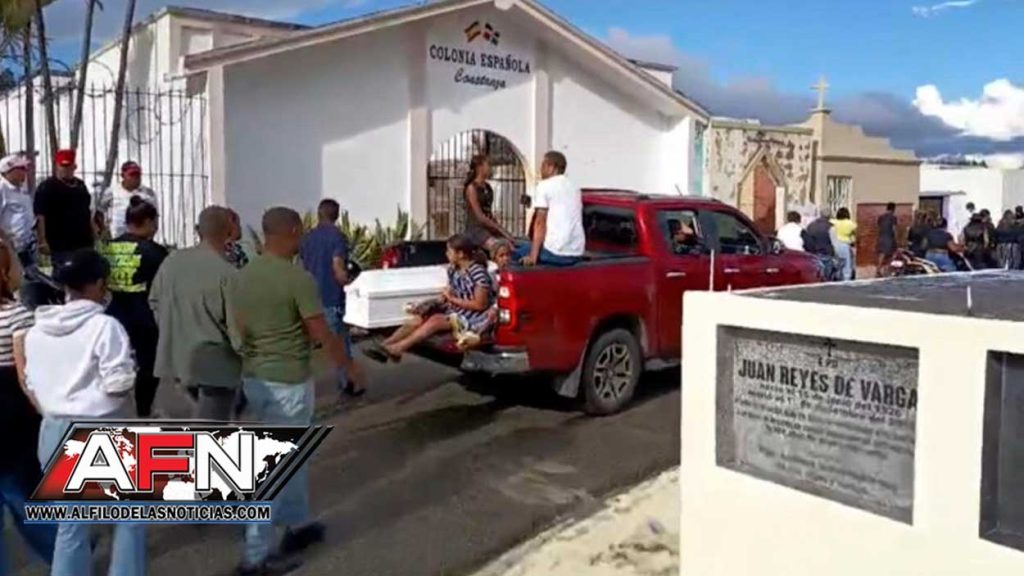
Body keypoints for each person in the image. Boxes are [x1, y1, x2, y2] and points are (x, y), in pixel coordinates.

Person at [231, 207, 365, 576]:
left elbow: (238, 328)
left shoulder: (243, 275)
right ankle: (254, 557)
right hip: (287, 382)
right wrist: (350, 368)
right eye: (300, 231)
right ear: (291, 231)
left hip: (256, 378)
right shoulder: (296, 279)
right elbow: (321, 332)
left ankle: (296, 524)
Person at [25, 249, 145, 576]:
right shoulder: (104, 327)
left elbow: (32, 383)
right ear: (98, 283)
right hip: (101, 428)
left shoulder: (37, 331)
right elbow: (118, 384)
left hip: (53, 430)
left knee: (72, 524)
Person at [150, 206, 242, 420]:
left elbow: (154, 302)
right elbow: (238, 330)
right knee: (212, 425)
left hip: (178, 361)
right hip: (217, 366)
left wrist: (172, 331)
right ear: (229, 231)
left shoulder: (171, 262)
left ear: (198, 230)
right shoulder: (228, 273)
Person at [0, 237, 56, 575]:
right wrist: (45, 411)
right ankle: (64, 554)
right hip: (10, 414)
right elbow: (25, 374)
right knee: (25, 495)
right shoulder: (17, 315)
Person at [374, 234, 491, 361]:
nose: (446, 254)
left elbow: (480, 305)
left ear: (461, 254)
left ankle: (399, 348)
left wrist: (452, 299)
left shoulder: (478, 273)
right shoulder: (453, 270)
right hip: (454, 309)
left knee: (435, 320)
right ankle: (386, 345)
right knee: (418, 319)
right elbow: (452, 290)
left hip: (471, 316)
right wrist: (434, 302)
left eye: (449, 251)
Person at [102, 197, 168, 417]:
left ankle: (113, 407)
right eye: (155, 221)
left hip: (113, 312)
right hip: (144, 316)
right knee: (149, 365)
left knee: (112, 362)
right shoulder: (155, 252)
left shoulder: (108, 248)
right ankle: (143, 411)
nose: (156, 226)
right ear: (148, 221)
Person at [299, 198, 362, 398]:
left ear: (319, 214)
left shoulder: (307, 238)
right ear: (336, 216)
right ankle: (348, 383)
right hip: (331, 298)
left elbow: (301, 267)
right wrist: (350, 282)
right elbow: (338, 268)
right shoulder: (337, 237)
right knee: (339, 343)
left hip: (309, 298)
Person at [514, 151, 585, 267]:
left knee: (512, 253)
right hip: (577, 252)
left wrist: (533, 257)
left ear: (551, 167)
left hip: (556, 253)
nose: (540, 169)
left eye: (543, 165)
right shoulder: (575, 187)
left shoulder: (544, 186)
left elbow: (540, 223)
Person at [33, 150, 94, 263]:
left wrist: (94, 231)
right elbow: (40, 216)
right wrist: (42, 240)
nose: (65, 169)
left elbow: (87, 211)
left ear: (74, 167)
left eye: (68, 166)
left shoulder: (80, 185)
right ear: (56, 165)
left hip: (84, 242)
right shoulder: (47, 187)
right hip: (60, 245)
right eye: (63, 166)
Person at [95, 161, 158, 241]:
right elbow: (99, 213)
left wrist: (152, 233)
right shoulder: (113, 191)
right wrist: (103, 232)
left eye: (138, 174)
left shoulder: (148, 193)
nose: (135, 178)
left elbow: (154, 216)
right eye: (132, 175)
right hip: (118, 238)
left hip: (142, 239)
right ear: (123, 175)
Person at [462, 154, 514, 249]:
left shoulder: (488, 187)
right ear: (480, 168)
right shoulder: (472, 188)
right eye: (488, 165)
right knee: (499, 248)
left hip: (488, 229)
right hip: (476, 230)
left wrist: (501, 231)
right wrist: (501, 230)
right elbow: (480, 216)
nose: (490, 168)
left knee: (510, 245)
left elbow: (488, 213)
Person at [0, 154, 35, 267]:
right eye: (21, 168)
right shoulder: (2, 189)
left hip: (26, 247)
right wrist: (6, 242)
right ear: (8, 171)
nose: (25, 171)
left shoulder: (22, 191)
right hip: (8, 249)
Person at [804, 212, 837, 280]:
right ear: (829, 217)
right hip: (827, 252)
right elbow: (834, 241)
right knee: (827, 275)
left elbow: (807, 239)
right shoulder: (831, 226)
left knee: (817, 274)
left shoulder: (811, 225)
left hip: (814, 252)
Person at [831, 208, 857, 281]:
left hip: (834, 244)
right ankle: (846, 278)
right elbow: (855, 233)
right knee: (846, 264)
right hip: (845, 245)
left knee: (837, 263)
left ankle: (837, 276)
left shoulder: (834, 222)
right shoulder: (850, 223)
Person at [876, 202, 897, 276]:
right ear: (893, 209)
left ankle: (878, 270)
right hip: (889, 238)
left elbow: (878, 227)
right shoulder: (893, 217)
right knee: (891, 254)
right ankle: (887, 269)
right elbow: (894, 228)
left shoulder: (881, 217)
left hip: (881, 237)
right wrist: (896, 238)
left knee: (881, 254)